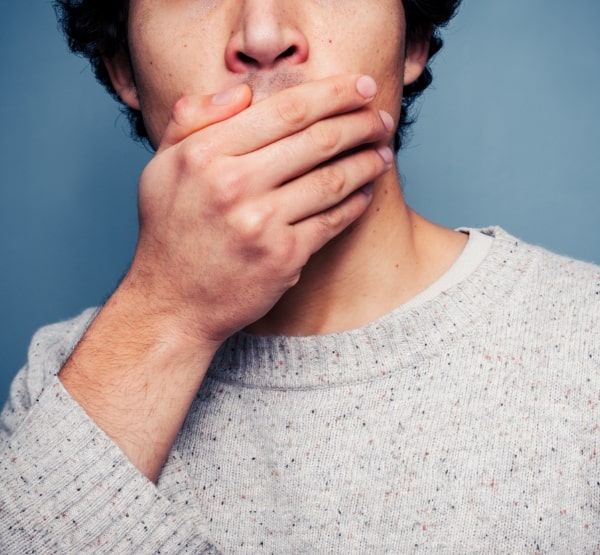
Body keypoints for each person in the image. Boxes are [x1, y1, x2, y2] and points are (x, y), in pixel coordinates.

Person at [1, 0, 598, 552]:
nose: (263, 38)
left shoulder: (585, 339)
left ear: (411, 39)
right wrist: (167, 312)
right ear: (123, 68)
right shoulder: (61, 392)